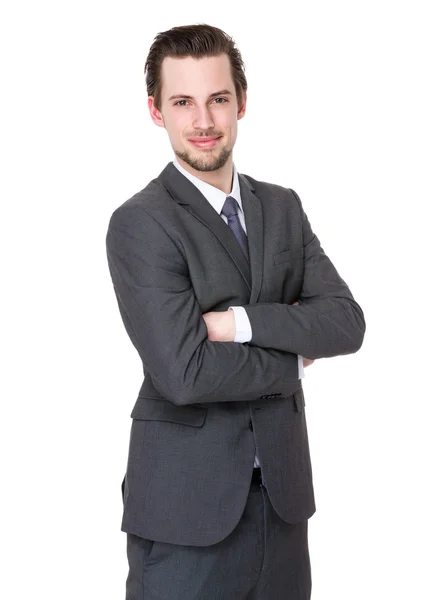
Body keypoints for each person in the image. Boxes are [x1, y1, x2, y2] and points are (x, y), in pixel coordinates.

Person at [105, 23, 365, 600]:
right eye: (183, 102)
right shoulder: (142, 223)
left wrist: (237, 323)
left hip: (282, 504)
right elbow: (185, 372)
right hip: (183, 515)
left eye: (218, 99)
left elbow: (345, 322)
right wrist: (293, 363)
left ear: (241, 102)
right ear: (156, 111)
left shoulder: (283, 206)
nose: (203, 121)